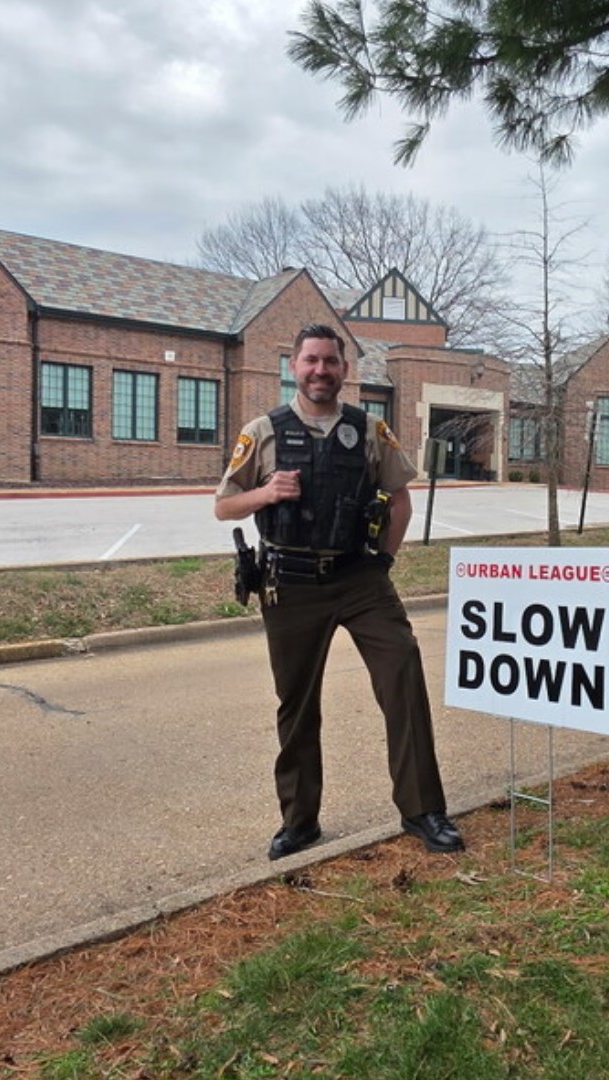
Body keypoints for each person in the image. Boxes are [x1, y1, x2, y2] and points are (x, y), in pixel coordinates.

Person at [215, 323, 464, 860]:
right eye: (310, 361)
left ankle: (422, 810)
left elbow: (400, 500)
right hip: (292, 583)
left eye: (330, 361)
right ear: (294, 366)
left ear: (345, 370)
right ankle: (300, 821)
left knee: (402, 671)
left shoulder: (370, 431)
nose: (320, 370)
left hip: (359, 578)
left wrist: (385, 561)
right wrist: (264, 492)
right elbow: (223, 505)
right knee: (297, 705)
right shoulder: (264, 431)